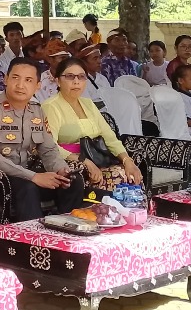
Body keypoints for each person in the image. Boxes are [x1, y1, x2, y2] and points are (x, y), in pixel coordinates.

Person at [0, 59, 84, 220]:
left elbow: (48, 149)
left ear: (37, 86)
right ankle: (32, 234)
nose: (20, 85)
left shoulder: (36, 111)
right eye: (15, 78)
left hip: (21, 174)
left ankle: (64, 227)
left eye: (28, 80)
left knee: (72, 182)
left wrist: (61, 170)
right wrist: (34, 176)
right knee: (27, 187)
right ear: (6, 79)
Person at [41, 57, 144, 203]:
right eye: (70, 76)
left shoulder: (88, 103)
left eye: (81, 77)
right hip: (71, 161)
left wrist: (127, 161)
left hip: (97, 157)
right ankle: (101, 213)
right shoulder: (51, 106)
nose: (76, 81)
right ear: (58, 81)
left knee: (130, 173)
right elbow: (50, 145)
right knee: (117, 175)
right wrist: (85, 161)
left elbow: (109, 137)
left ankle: (132, 214)